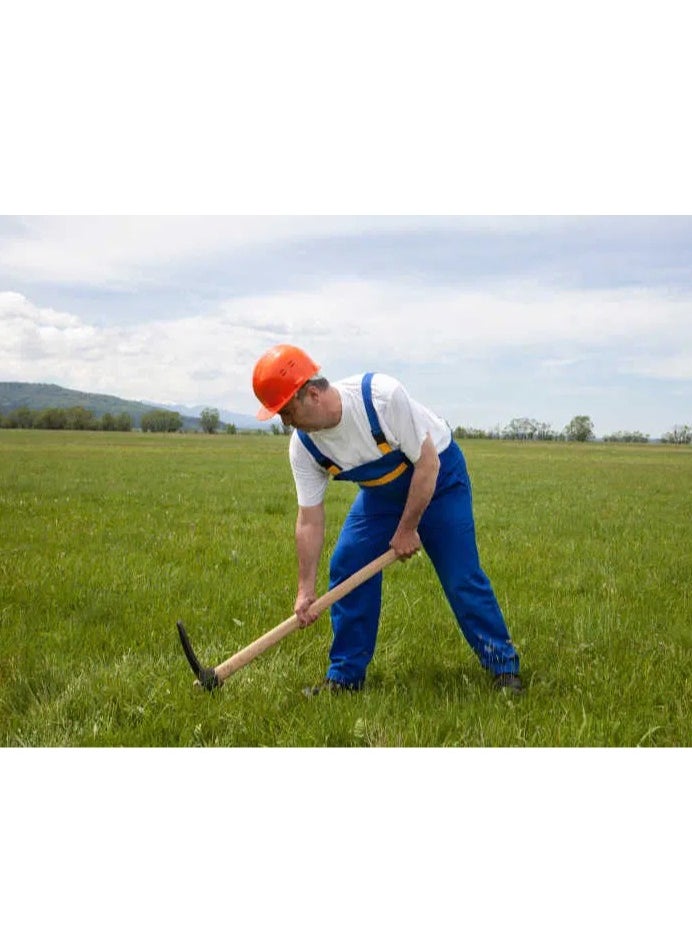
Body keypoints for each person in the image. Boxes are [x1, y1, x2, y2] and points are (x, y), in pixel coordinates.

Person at [252, 344, 522, 695]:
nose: (285, 422)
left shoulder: (380, 398)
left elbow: (428, 465)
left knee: (461, 575)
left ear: (312, 394)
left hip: (439, 480)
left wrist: (407, 529)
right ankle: (345, 678)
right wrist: (305, 588)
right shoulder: (304, 447)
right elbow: (309, 520)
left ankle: (503, 668)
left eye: (286, 411)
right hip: (382, 494)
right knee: (348, 565)